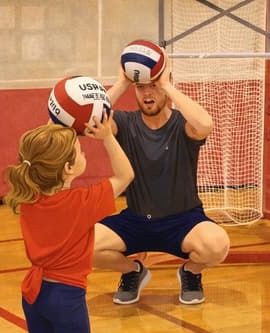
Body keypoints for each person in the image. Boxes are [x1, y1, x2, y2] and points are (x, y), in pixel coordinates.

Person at [3, 112, 134, 333]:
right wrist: (106, 136)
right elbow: (126, 175)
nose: (84, 153)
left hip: (34, 292)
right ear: (67, 169)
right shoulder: (81, 201)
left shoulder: (29, 199)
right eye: (79, 151)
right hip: (66, 295)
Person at [93, 53, 230, 305]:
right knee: (84, 245)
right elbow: (92, 119)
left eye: (154, 86)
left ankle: (191, 272)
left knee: (217, 245)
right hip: (136, 220)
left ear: (166, 85)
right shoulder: (124, 121)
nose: (147, 93)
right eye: (141, 87)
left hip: (184, 221)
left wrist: (167, 85)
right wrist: (122, 82)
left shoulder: (183, 124)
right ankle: (132, 272)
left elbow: (206, 124)